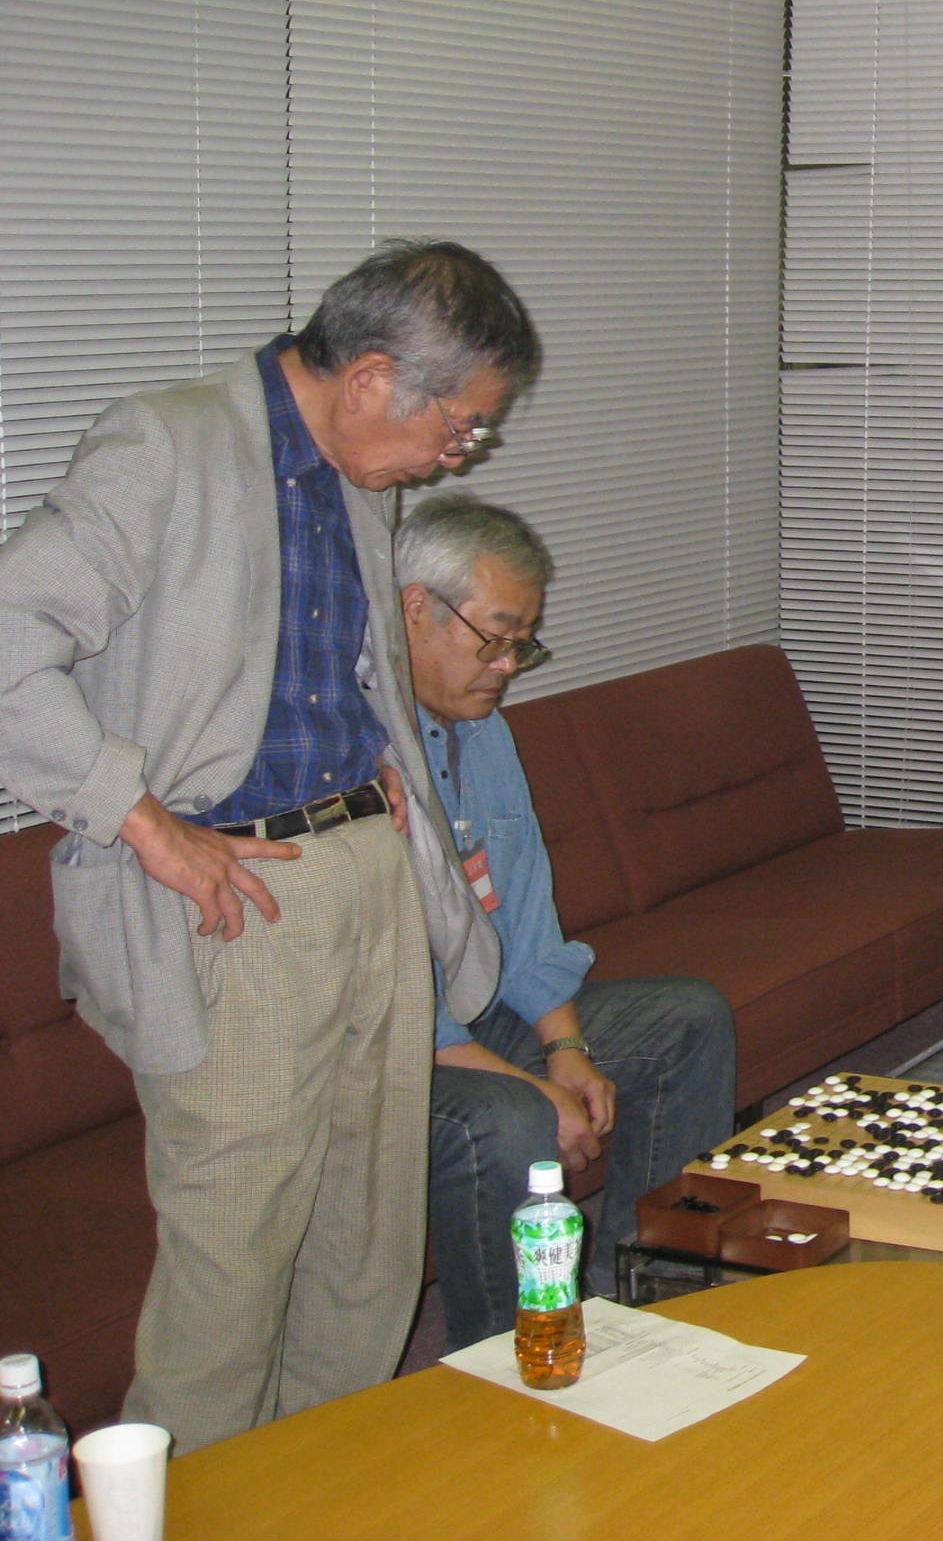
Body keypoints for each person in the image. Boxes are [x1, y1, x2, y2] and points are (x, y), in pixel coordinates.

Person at [0, 240, 536, 1451]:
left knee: (366, 1245)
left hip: (365, 871)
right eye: (460, 426)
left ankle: (318, 1491)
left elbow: (333, 666)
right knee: (233, 1260)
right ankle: (189, 1503)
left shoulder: (356, 470)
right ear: (373, 378)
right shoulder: (169, 444)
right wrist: (142, 820)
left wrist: (380, 765)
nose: (460, 454)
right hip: (241, 896)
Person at [397, 496, 738, 1350]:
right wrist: (530, 1087)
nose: (509, 666)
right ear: (414, 608)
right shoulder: (355, 758)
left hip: (478, 1019)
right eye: (495, 639)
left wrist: (566, 1047)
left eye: (524, 643)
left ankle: (649, 1297)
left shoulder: (483, 733)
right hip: (383, 1055)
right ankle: (510, 1353)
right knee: (509, 1120)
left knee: (688, 1020)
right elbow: (392, 1000)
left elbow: (524, 913)